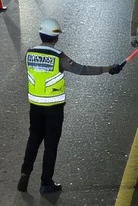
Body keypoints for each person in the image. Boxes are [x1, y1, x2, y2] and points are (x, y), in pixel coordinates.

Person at [21, 18, 124, 194]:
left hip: (35, 106)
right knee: (50, 145)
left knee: (33, 140)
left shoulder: (29, 53)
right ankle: (46, 183)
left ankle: (24, 175)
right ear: (56, 38)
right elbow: (81, 69)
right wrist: (108, 69)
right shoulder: (58, 57)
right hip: (53, 107)